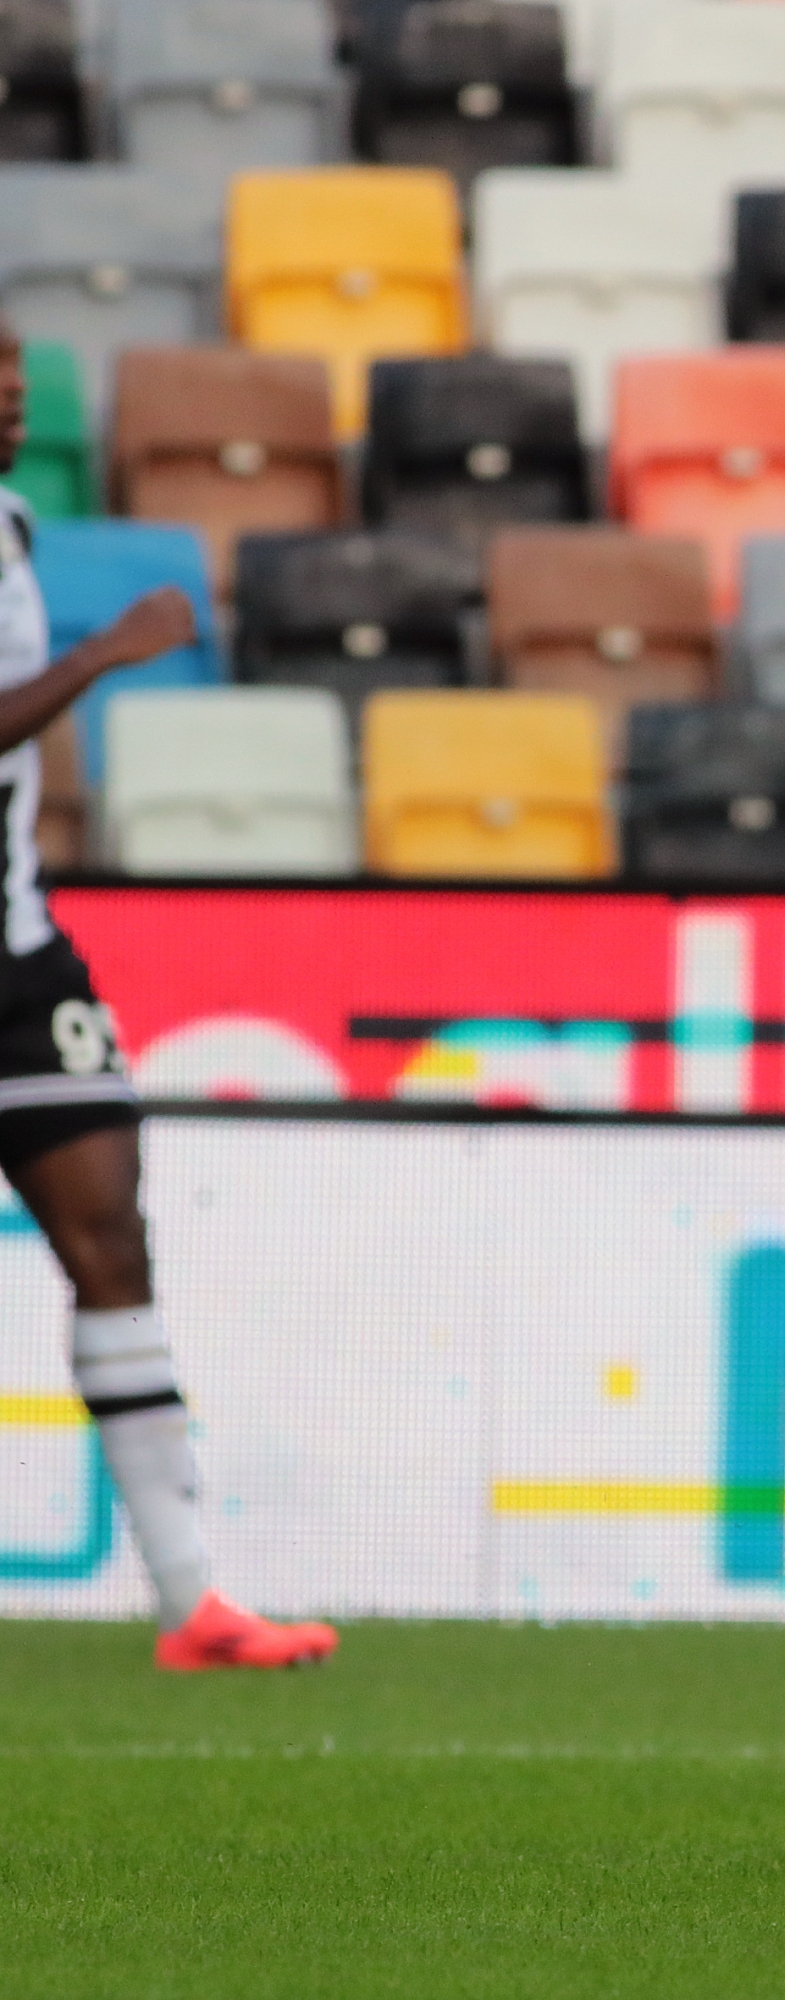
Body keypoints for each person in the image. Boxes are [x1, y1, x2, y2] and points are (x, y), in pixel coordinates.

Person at [0, 313, 336, 1671]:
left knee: (112, 1241)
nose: (14, 402)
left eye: (19, 383)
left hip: (20, 956)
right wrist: (101, 657)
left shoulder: (13, 525)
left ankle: (194, 1596)